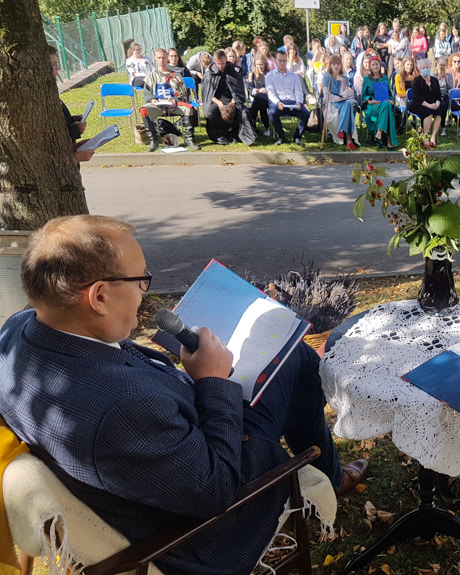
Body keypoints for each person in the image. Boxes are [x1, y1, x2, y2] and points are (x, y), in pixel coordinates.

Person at [0, 215, 369, 575]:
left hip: (164, 454)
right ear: (98, 297)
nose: (145, 294)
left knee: (295, 359)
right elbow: (218, 489)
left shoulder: (19, 330)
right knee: (298, 357)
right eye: (140, 280)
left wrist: (189, 375)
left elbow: (125, 381)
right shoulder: (122, 410)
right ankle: (331, 478)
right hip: (203, 523)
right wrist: (211, 381)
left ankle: (333, 477)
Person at [139, 48, 201, 152]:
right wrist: (152, 100)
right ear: (155, 58)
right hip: (158, 106)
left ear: (167, 58)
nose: (162, 60)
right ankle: (154, 141)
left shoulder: (176, 75)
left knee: (189, 108)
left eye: (164, 57)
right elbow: (147, 94)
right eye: (159, 58)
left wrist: (175, 100)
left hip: (174, 105)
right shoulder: (151, 76)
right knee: (144, 109)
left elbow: (184, 94)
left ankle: (190, 139)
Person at [48, 46, 94, 165]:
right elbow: (49, 132)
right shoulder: (40, 96)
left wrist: (73, 121)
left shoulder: (50, 91)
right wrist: (75, 129)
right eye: (53, 65)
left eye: (56, 64)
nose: (57, 70)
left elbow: (59, 121)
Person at [265, 50, 310, 147]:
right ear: (275, 61)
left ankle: (297, 136)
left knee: (306, 113)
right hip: (278, 101)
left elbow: (298, 91)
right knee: (272, 113)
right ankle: (281, 136)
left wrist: (298, 102)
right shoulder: (269, 76)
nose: (282, 63)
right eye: (280, 61)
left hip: (292, 101)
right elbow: (270, 93)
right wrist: (278, 102)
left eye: (284, 61)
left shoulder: (294, 75)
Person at [202, 49, 246, 145]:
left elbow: (238, 90)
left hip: (231, 99)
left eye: (223, 63)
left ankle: (235, 134)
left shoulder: (233, 70)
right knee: (210, 113)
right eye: (218, 64)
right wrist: (218, 102)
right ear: (214, 61)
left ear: (226, 59)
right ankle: (222, 132)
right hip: (216, 100)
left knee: (240, 111)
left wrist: (233, 101)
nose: (221, 66)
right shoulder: (210, 73)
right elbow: (208, 94)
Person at [321, 56, 359, 150]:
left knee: (348, 104)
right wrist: (338, 97)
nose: (336, 66)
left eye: (338, 64)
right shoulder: (327, 77)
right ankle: (349, 139)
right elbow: (326, 95)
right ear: (330, 65)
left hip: (342, 101)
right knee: (348, 106)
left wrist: (342, 81)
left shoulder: (344, 78)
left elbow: (344, 94)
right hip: (331, 101)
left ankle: (341, 130)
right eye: (334, 64)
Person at [361, 56, 399, 148]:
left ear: (380, 65)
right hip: (372, 105)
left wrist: (391, 100)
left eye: (377, 64)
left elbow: (390, 94)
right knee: (387, 109)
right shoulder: (367, 79)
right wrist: (369, 101)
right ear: (370, 66)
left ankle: (379, 132)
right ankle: (389, 141)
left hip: (383, 102)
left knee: (386, 105)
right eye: (373, 65)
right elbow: (363, 95)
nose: (375, 67)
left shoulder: (385, 78)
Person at [410, 58, 445, 147]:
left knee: (439, 113)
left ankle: (433, 137)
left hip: (433, 104)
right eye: (423, 68)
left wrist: (437, 103)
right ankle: (425, 137)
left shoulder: (434, 80)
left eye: (427, 67)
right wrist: (429, 105)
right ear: (420, 69)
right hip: (419, 104)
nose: (426, 69)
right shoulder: (417, 81)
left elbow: (438, 95)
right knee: (428, 112)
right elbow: (417, 97)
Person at [248, 56, 270, 136]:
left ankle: (251, 124)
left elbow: (273, 87)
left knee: (259, 99)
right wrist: (253, 90)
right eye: (257, 65)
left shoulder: (269, 74)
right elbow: (249, 89)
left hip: (268, 98)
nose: (259, 67)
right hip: (257, 99)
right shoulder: (253, 75)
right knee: (260, 102)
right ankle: (266, 127)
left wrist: (266, 89)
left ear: (265, 64)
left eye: (261, 64)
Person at [434, 57, 453, 136]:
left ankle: (443, 127)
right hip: (435, 97)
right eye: (441, 65)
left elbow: (451, 89)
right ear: (437, 64)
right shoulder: (433, 75)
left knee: (446, 103)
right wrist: (438, 79)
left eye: (444, 65)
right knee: (442, 104)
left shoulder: (449, 76)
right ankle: (442, 127)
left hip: (445, 97)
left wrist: (447, 81)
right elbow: (431, 88)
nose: (442, 67)